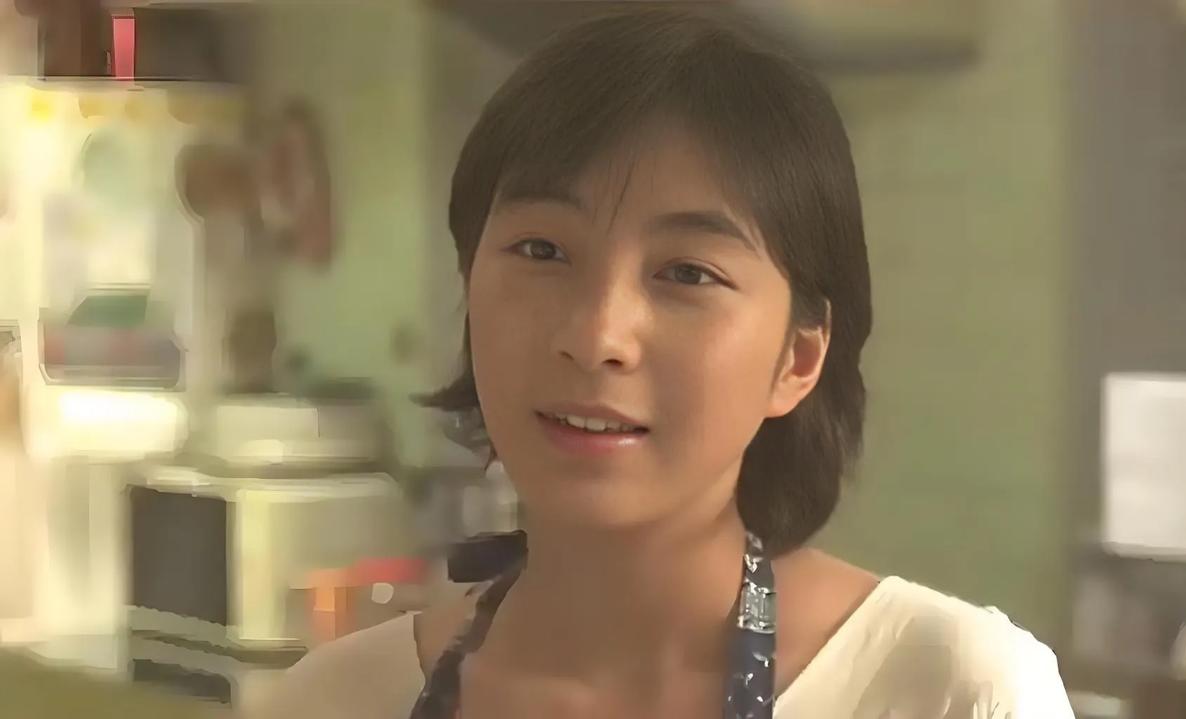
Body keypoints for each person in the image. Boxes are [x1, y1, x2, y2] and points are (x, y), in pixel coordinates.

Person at [250, 7, 1074, 718]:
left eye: (687, 273)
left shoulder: (946, 689)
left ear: (798, 358)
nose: (598, 335)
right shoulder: (334, 699)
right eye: (542, 250)